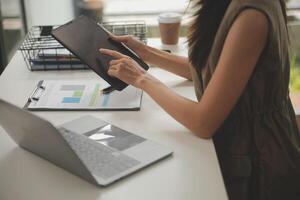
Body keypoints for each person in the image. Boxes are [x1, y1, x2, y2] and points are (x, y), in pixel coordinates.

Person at [100, 0, 300, 199]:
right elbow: (218, 72)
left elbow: (203, 122)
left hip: (258, 163)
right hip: (246, 151)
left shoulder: (251, 17)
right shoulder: (229, 5)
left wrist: (141, 78)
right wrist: (148, 54)